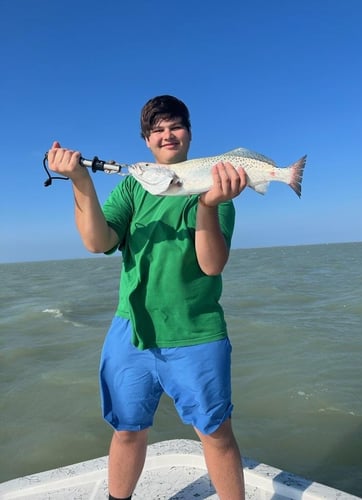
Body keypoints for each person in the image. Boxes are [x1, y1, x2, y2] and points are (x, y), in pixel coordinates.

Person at [48, 95, 247, 500]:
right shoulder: (131, 188)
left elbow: (211, 265)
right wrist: (81, 181)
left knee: (216, 434)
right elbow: (97, 240)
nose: (166, 134)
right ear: (146, 142)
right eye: (156, 130)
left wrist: (208, 204)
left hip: (195, 331)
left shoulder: (212, 182)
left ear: (189, 133)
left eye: (174, 126)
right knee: (126, 430)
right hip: (130, 331)